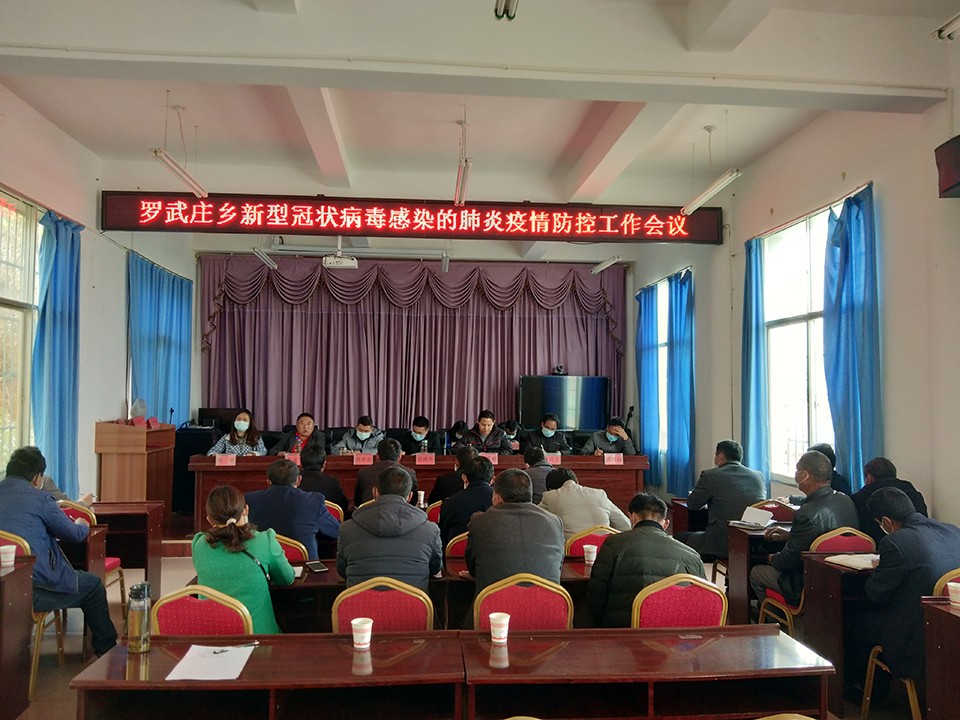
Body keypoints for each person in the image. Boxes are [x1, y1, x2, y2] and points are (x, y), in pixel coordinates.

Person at [0, 447, 117, 655]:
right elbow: (73, 535)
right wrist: (82, 524)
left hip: (4, 587)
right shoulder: (40, 499)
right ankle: (108, 652)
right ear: (37, 478)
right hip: (31, 591)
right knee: (93, 586)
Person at [848, 487, 960, 691]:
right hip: (950, 630)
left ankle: (867, 691)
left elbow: (876, 593)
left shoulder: (895, 542)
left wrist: (880, 569)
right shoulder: (953, 531)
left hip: (914, 636)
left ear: (886, 522)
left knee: (856, 620)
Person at [749, 450, 859, 606]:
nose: (795, 475)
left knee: (756, 572)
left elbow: (788, 561)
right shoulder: (845, 500)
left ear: (805, 475)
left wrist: (771, 558)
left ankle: (777, 617)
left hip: (807, 583)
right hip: (843, 581)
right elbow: (825, 539)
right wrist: (790, 536)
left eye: (797, 471)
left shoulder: (806, 514)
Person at [587, 492, 705, 627]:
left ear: (632, 517)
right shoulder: (692, 555)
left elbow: (596, 594)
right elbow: (704, 597)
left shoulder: (613, 543)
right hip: (674, 631)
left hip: (624, 629)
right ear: (666, 524)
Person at [192, 485, 295, 633]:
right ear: (246, 510)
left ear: (209, 519)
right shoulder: (264, 540)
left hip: (213, 636)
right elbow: (287, 578)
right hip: (258, 637)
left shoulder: (198, 545)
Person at [336, 465, 442, 592]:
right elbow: (435, 568)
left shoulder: (347, 529)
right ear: (409, 496)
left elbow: (342, 570)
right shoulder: (430, 530)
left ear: (375, 492)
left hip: (360, 603)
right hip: (412, 603)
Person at [465, 468, 564, 595]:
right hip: (549, 603)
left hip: (495, 603)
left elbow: (472, 568)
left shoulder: (479, 521)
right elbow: (558, 565)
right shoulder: (554, 522)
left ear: (497, 498)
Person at [676, 440, 766, 559]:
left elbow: (693, 504)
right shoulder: (758, 476)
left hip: (721, 542)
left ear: (721, 457)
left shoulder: (710, 475)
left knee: (678, 538)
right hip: (752, 542)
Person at [244, 459, 340, 560]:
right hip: (304, 565)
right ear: (299, 480)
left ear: (268, 482)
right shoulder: (313, 501)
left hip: (262, 563)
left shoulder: (251, 499)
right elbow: (336, 531)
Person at [851, 457, 928, 546]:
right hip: (921, 544)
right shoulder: (913, 492)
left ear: (869, 478)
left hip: (875, 548)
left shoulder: (859, 498)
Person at [538, 467, 631, 539]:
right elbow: (626, 525)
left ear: (550, 489)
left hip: (570, 553)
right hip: (602, 551)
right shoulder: (599, 494)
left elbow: (533, 522)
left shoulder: (551, 496)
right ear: (577, 482)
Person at [438, 456, 495, 547]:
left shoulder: (449, 503)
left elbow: (442, 540)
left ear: (464, 478)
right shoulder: (501, 501)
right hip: (492, 552)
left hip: (455, 554)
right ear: (492, 480)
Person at [354, 438, 418, 506]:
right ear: (400, 456)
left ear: (377, 456)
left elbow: (358, 503)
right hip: (402, 511)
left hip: (369, 511)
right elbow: (413, 502)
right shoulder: (410, 473)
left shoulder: (364, 473)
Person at [786, 443, 851, 502]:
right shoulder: (826, 480)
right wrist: (791, 499)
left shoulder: (835, 486)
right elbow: (814, 499)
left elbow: (817, 503)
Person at [297, 445, 349, 519]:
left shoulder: (294, 482)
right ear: (324, 464)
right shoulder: (332, 483)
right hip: (326, 523)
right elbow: (343, 506)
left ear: (301, 464)